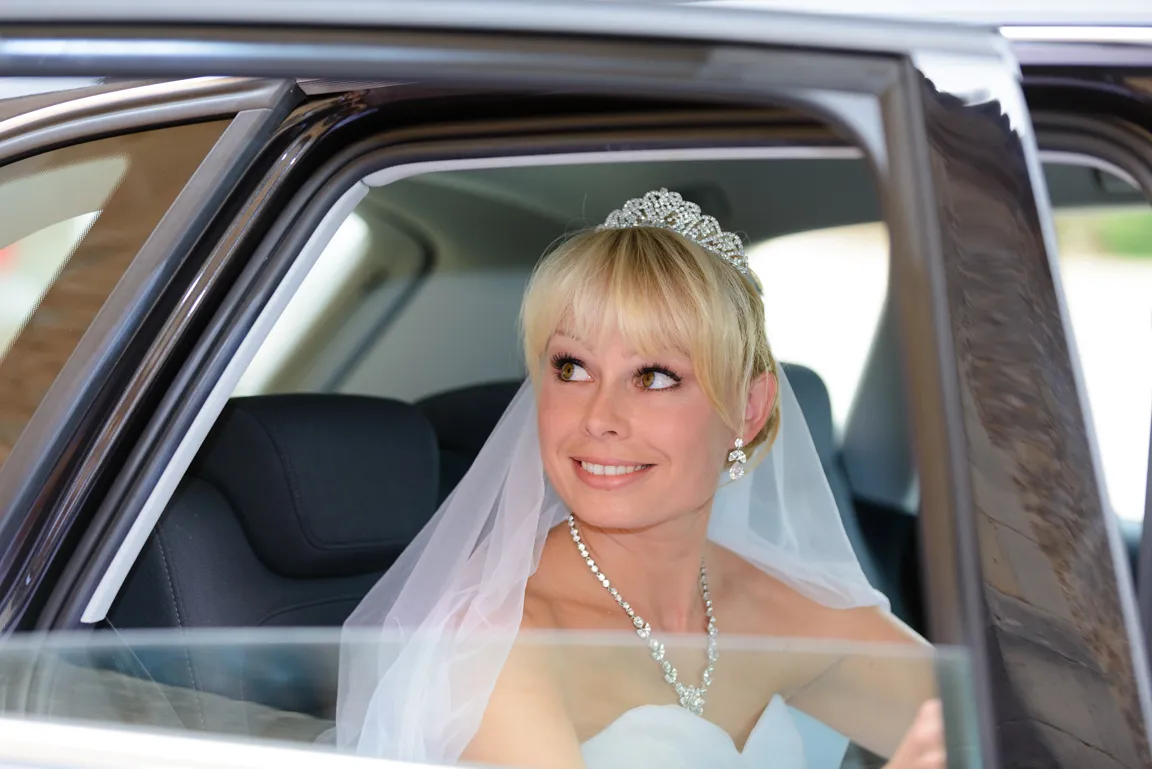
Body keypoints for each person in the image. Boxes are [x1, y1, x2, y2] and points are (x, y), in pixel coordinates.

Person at [335, 189, 946, 768]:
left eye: (654, 376)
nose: (599, 418)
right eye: (571, 368)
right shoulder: (496, 644)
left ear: (749, 410)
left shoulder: (783, 606)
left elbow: (1012, 726)